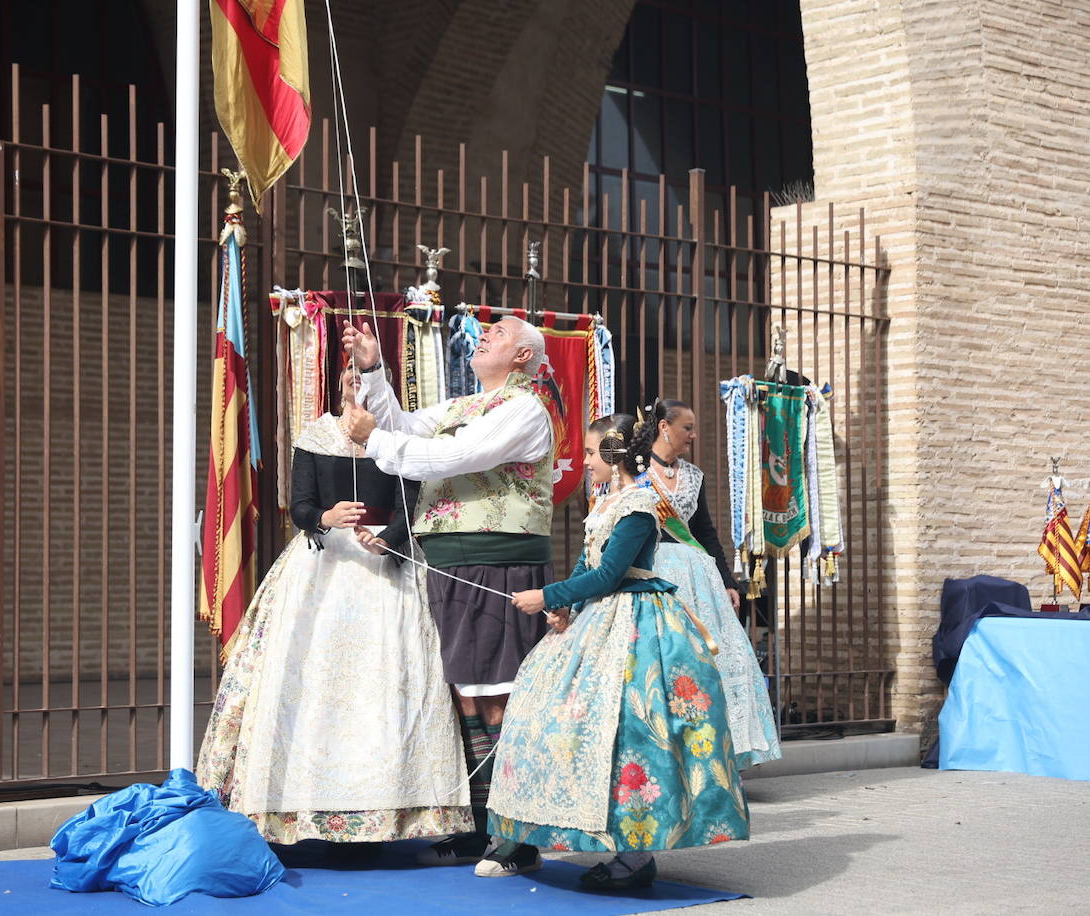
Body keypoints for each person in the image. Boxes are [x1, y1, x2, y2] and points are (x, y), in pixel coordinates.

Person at [196, 366, 472, 846]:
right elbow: (298, 504)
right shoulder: (315, 435)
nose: (355, 381)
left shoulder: (395, 438)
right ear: (338, 383)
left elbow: (414, 500)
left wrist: (389, 540)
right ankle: (296, 808)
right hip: (320, 569)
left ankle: (391, 810)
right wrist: (325, 516)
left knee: (389, 680)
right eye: (348, 374)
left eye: (363, 374)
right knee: (312, 679)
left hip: (387, 570)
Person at [486, 413, 749, 888]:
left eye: (590, 453)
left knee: (631, 731)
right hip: (597, 621)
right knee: (548, 716)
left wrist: (549, 596)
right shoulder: (608, 503)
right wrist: (567, 611)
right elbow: (591, 566)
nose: (585, 462)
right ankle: (526, 838)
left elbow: (611, 575)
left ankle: (635, 856)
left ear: (613, 453)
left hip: (636, 625)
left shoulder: (641, 506)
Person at [342, 315, 552, 876]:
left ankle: (518, 834)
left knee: (501, 693)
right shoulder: (464, 406)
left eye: (500, 332)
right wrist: (372, 368)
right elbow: (406, 428)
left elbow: (451, 458)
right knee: (466, 693)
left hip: (499, 558)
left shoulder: (524, 408)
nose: (484, 333)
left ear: (524, 357)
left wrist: (374, 438)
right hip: (453, 559)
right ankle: (482, 826)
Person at [631, 399, 781, 768]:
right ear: (664, 427)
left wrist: (728, 581)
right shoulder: (633, 472)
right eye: (687, 427)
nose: (693, 435)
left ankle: (721, 753)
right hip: (655, 572)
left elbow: (706, 533)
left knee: (718, 659)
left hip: (699, 577)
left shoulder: (694, 476)